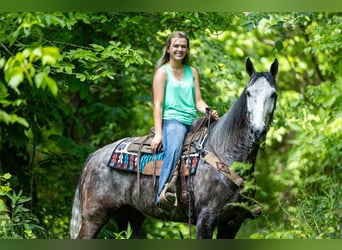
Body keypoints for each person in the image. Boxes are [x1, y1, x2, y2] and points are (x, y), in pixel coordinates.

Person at [150, 31, 219, 207]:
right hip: (173, 121)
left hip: (193, 120)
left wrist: (208, 110)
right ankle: (162, 194)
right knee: (173, 149)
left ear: (187, 50)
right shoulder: (162, 72)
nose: (180, 49)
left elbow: (198, 101)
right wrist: (158, 134)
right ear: (168, 48)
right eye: (176, 46)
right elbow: (157, 105)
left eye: (183, 46)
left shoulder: (192, 71)